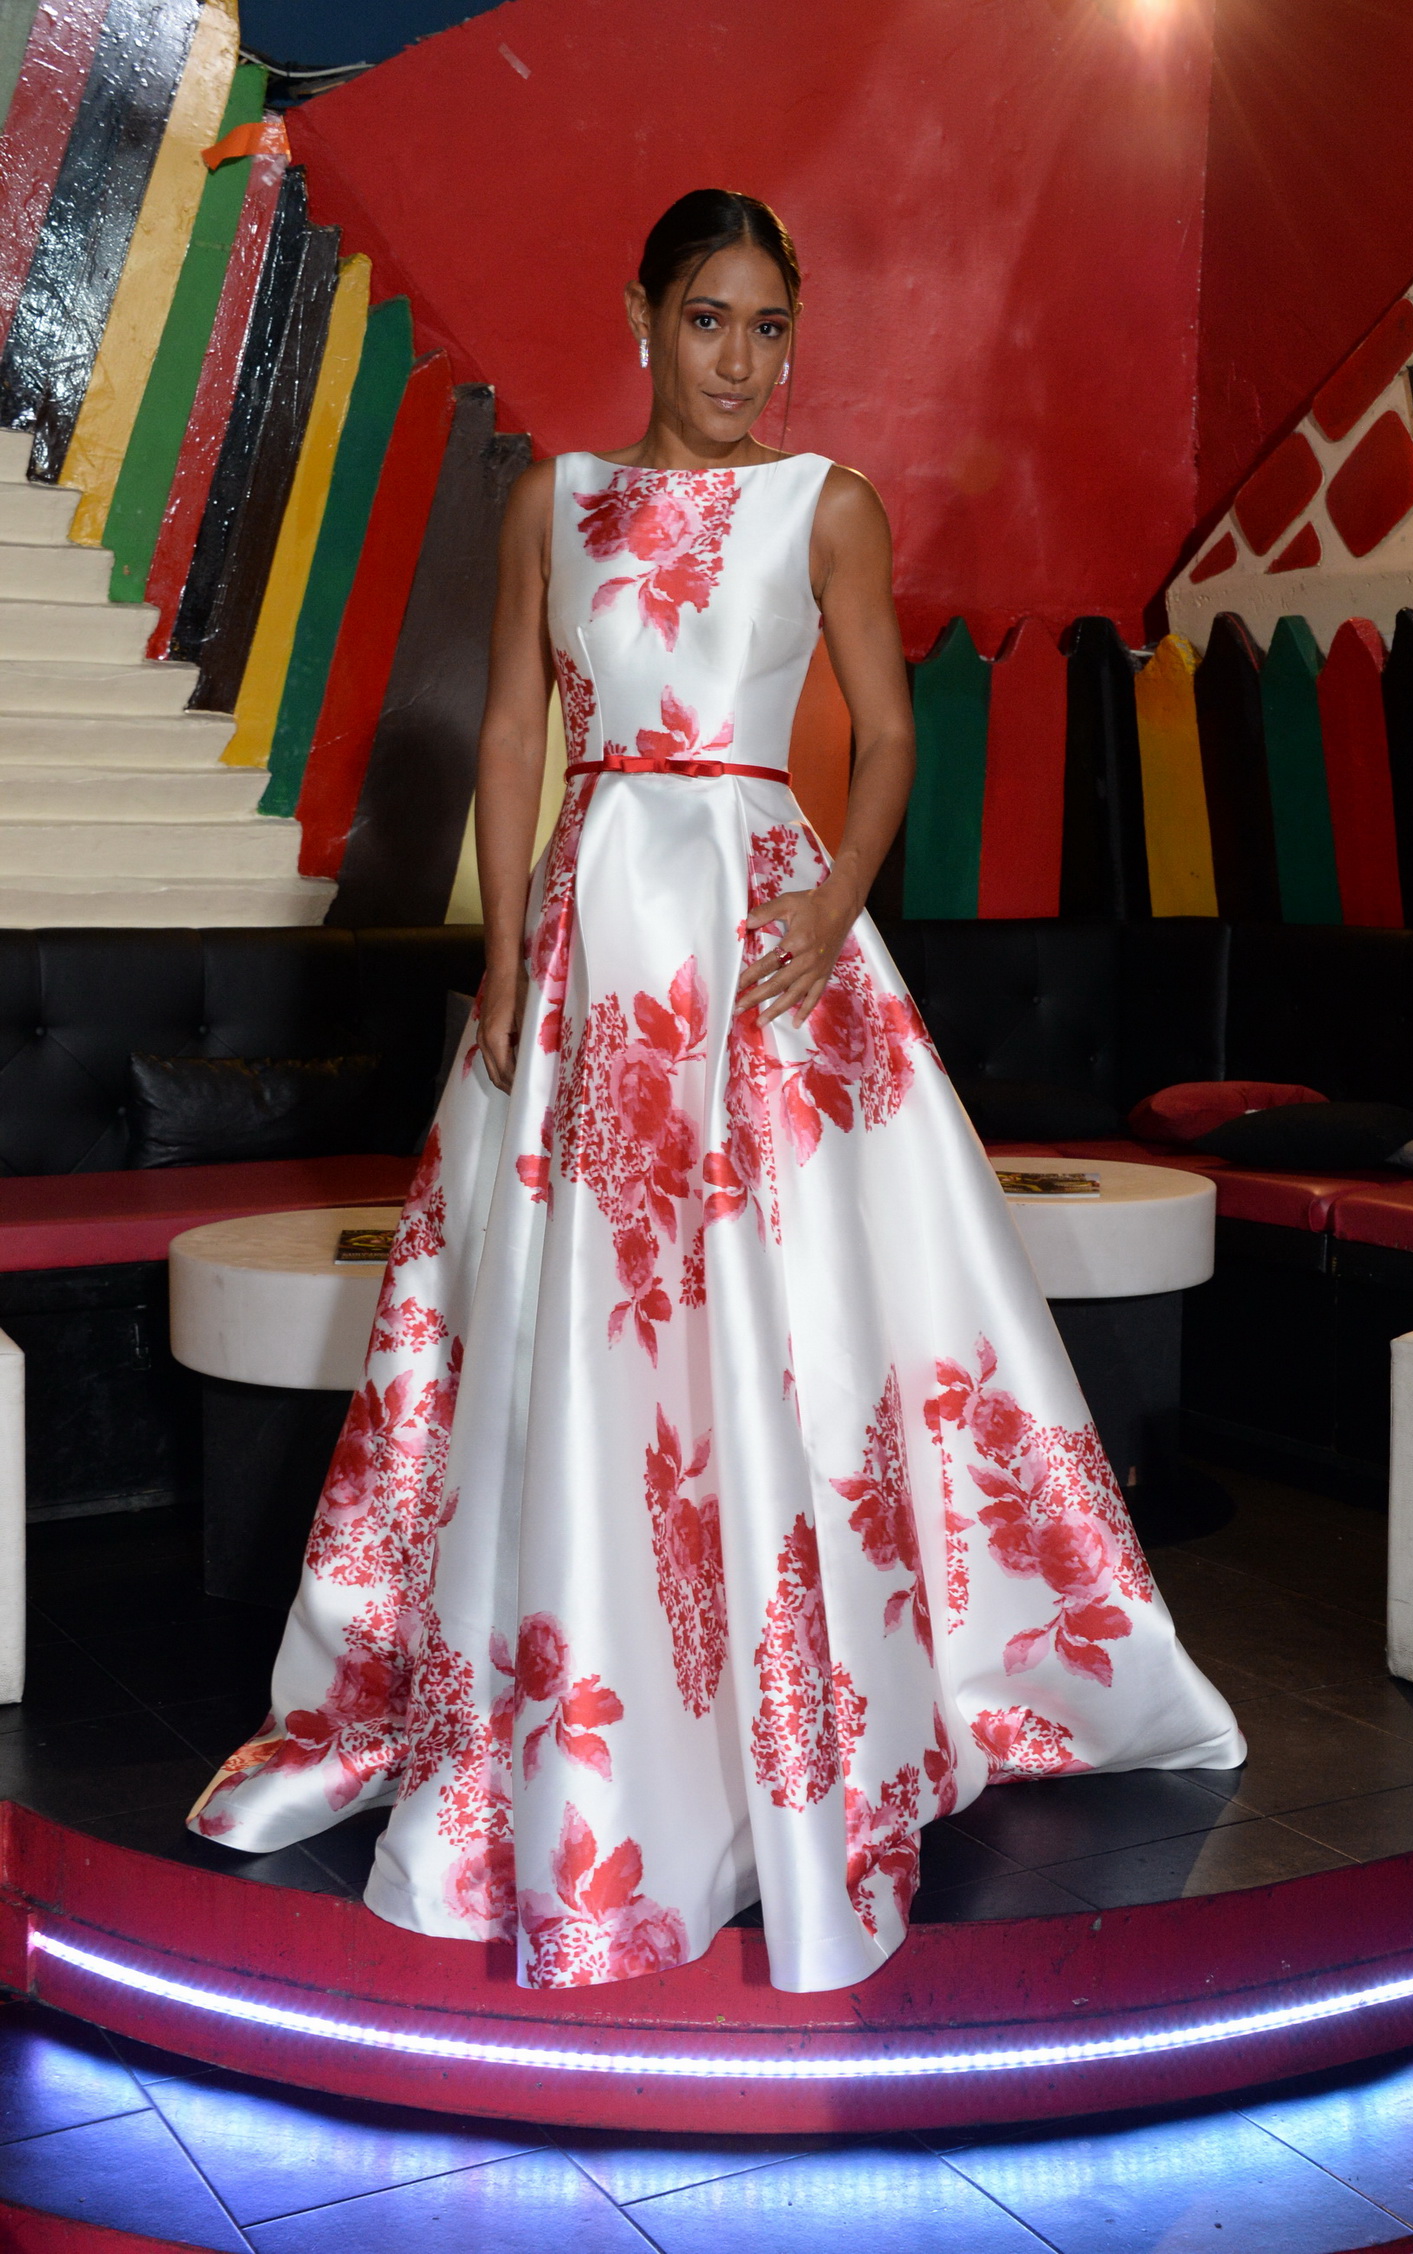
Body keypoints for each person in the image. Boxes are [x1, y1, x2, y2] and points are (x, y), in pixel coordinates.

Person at [188, 188, 1243, 1993]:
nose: (743, 361)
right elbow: (513, 732)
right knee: (563, 1325)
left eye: (769, 326)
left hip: (761, 933)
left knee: (792, 1315)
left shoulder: (829, 504)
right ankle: (588, 1709)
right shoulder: (555, 500)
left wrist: (835, 906)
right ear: (643, 315)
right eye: (708, 321)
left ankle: (814, 1712)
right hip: (592, 932)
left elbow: (889, 732)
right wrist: (504, 956)